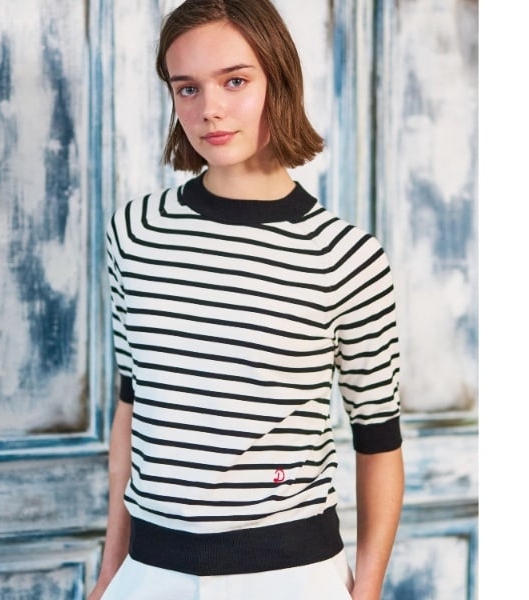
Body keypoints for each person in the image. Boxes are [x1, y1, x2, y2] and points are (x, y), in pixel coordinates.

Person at [89, 1, 404, 598]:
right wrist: (112, 571)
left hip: (293, 577)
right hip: (149, 573)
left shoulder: (345, 255)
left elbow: (379, 441)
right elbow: (133, 407)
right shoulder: (135, 232)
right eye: (187, 88)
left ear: (278, 81)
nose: (208, 108)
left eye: (234, 81)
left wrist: (365, 593)